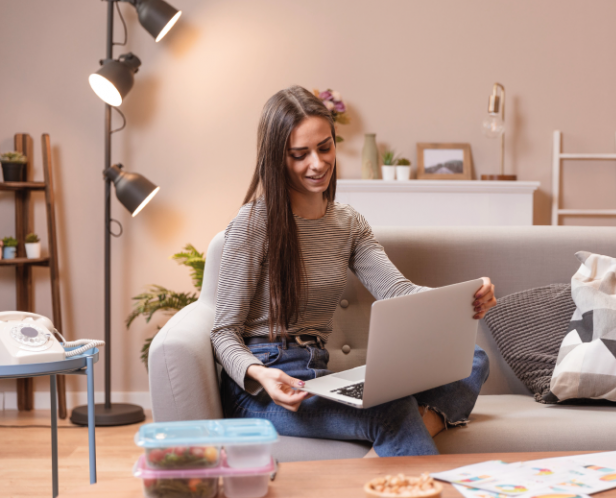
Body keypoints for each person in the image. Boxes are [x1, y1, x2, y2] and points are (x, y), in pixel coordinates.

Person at [212, 85, 497, 457]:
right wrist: (261, 374)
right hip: (264, 387)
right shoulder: (253, 223)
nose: (317, 164)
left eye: (325, 147)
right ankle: (399, 441)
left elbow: (398, 291)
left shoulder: (348, 223)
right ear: (277, 158)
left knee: (472, 358)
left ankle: (381, 458)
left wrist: (464, 298)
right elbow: (223, 332)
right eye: (299, 155)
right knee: (392, 413)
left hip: (320, 375)